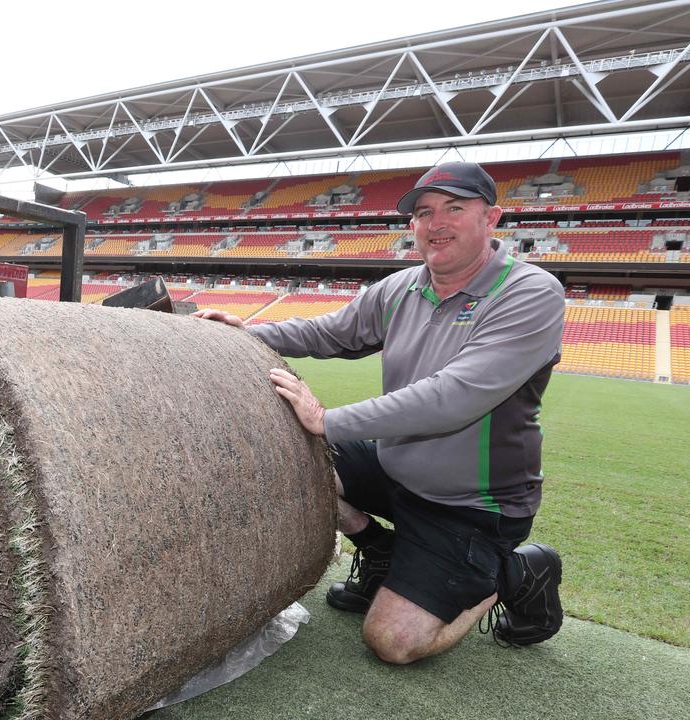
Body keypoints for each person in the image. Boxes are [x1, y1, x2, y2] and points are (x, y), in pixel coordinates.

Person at [194, 162, 566, 664]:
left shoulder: (531, 293)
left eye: (455, 208)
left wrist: (328, 419)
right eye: (424, 212)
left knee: (393, 643)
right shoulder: (402, 287)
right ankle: (378, 546)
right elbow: (330, 332)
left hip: (471, 505)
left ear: (491, 218)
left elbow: (454, 397)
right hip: (395, 470)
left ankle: (514, 572)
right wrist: (245, 333)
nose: (435, 223)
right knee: (275, 452)